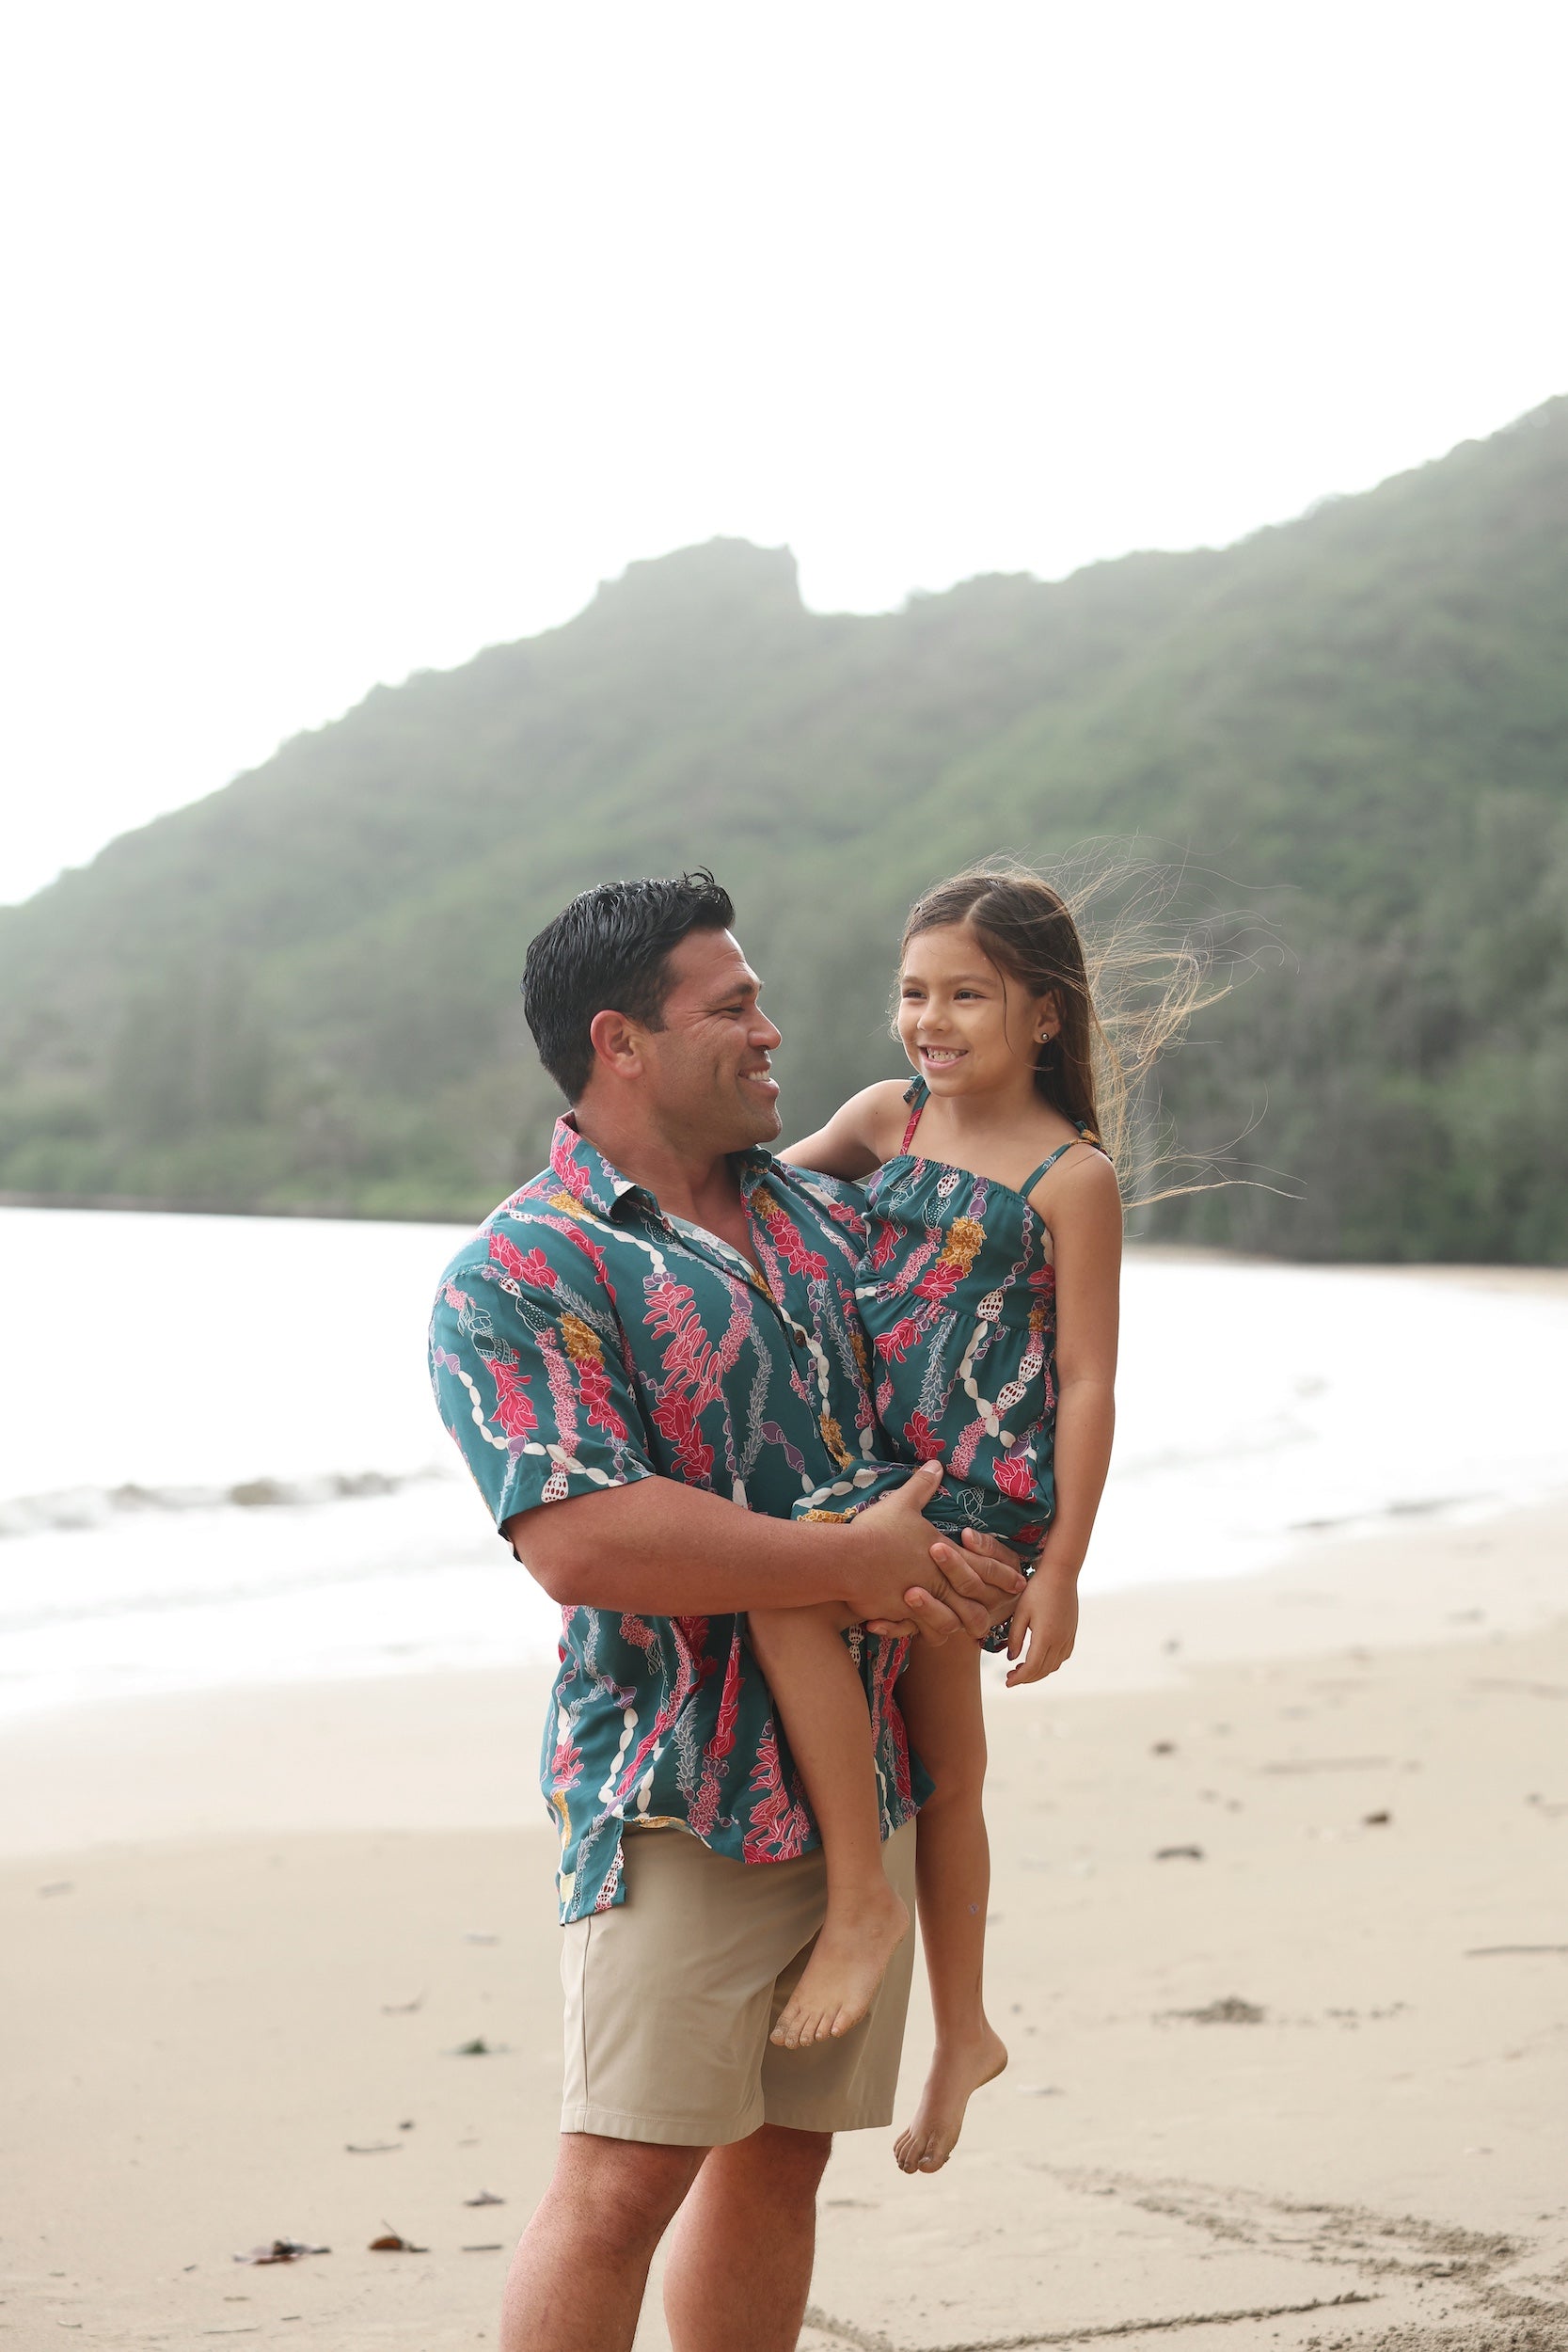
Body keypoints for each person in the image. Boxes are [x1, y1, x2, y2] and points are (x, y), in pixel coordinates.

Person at [427, 870, 1027, 2352]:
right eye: (733, 1004)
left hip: (867, 1771)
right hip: (678, 1792)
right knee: (624, 2177)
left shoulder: (831, 1223)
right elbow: (582, 1537)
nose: (773, 1029)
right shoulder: (522, 1268)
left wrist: (982, 1563)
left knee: (782, 2161)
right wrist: (843, 1562)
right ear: (620, 1042)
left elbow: (930, 1438)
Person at [745, 866, 1128, 2178]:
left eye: (968, 993)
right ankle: (962, 2031)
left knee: (793, 1595)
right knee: (951, 1765)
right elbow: (744, 1214)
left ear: (1044, 1016)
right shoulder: (881, 1120)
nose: (932, 1020)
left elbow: (1086, 1379)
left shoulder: (1071, 1177)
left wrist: (1064, 1566)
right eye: (915, 991)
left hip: (973, 1495)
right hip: (871, 1469)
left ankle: (864, 1901)